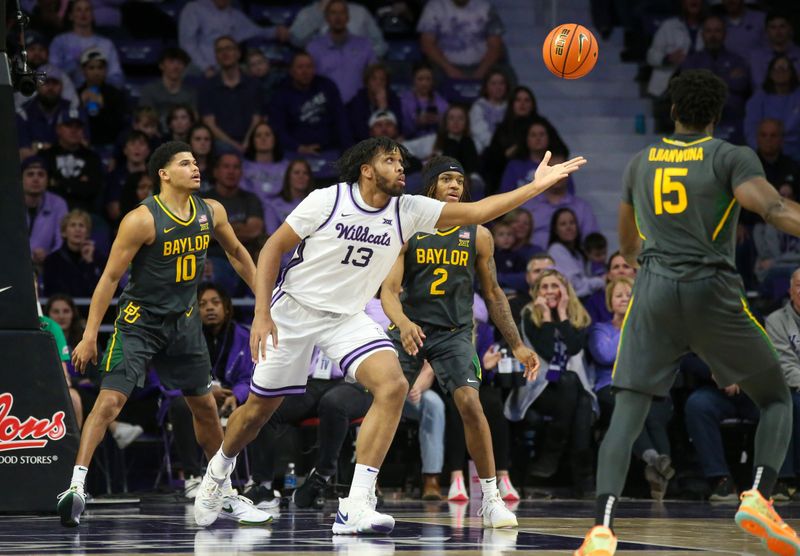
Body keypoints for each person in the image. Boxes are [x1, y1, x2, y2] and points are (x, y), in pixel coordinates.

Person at [193, 136, 585, 532]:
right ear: (367, 169)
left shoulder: (408, 210)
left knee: (393, 385)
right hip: (294, 311)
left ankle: (356, 504)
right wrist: (262, 313)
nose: (401, 167)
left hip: (346, 316)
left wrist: (536, 187)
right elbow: (272, 249)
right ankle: (216, 477)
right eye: (390, 160)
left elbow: (481, 209)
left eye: (402, 161)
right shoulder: (327, 201)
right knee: (259, 412)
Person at [575, 69, 800, 555]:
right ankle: (758, 497)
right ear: (717, 117)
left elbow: (629, 243)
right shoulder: (730, 156)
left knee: (627, 415)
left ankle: (601, 530)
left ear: (673, 111)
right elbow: (774, 208)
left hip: (653, 289)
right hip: (711, 289)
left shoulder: (640, 163)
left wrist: (659, 270)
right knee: (777, 398)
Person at [56, 141, 266, 528]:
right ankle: (76, 486)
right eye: (185, 163)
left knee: (204, 409)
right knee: (109, 402)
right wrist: (88, 335)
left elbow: (237, 253)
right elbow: (110, 278)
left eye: (197, 162)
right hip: (139, 323)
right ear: (164, 174)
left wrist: (264, 303)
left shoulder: (211, 210)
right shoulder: (141, 219)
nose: (196, 168)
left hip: (184, 324)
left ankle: (224, 492)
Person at [380, 155, 538, 526]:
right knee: (384, 400)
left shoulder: (478, 234)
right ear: (431, 186)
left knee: (471, 402)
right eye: (446, 179)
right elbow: (388, 290)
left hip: (454, 335)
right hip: (411, 329)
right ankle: (363, 491)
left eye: (459, 180)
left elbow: (495, 293)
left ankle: (490, 497)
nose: (454, 185)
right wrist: (402, 322)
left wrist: (516, 343)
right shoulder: (410, 229)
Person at [307, 0, 377, 105]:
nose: (338, 17)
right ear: (326, 18)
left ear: (348, 17)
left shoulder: (364, 45)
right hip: (326, 108)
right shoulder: (313, 47)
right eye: (333, 13)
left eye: (342, 13)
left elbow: (374, 77)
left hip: (358, 108)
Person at [22, 156, 68, 268]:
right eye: (30, 174)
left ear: (47, 179)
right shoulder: (8, 203)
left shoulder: (58, 204)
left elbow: (61, 241)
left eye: (41, 174)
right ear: (20, 178)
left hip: (46, 266)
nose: (36, 179)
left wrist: (48, 256)